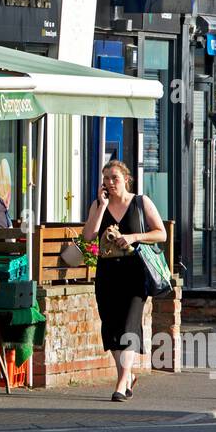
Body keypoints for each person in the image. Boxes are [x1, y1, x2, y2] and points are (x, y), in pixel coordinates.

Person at [80, 160, 167, 403]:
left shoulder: (140, 202)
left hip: (134, 274)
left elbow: (161, 233)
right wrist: (101, 206)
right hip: (107, 274)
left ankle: (120, 383)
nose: (109, 182)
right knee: (112, 328)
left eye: (114, 178)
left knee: (129, 326)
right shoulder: (98, 205)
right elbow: (88, 237)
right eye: (105, 178)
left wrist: (133, 236)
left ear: (126, 179)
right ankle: (127, 377)